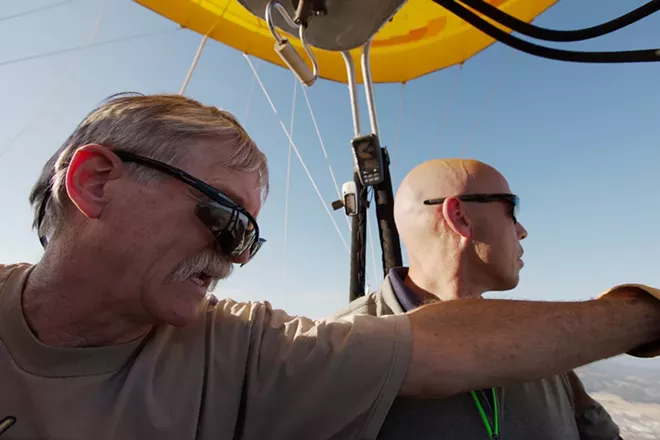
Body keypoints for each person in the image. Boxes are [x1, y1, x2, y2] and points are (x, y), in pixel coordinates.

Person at [1, 93, 660, 440]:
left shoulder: (240, 350)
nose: (233, 258)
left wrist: (640, 314)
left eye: (250, 240)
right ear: (94, 183)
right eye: (226, 220)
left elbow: (437, 348)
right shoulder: (240, 359)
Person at [333, 158, 625, 440]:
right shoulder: (341, 352)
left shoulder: (538, 337)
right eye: (512, 211)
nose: (522, 231)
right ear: (460, 217)